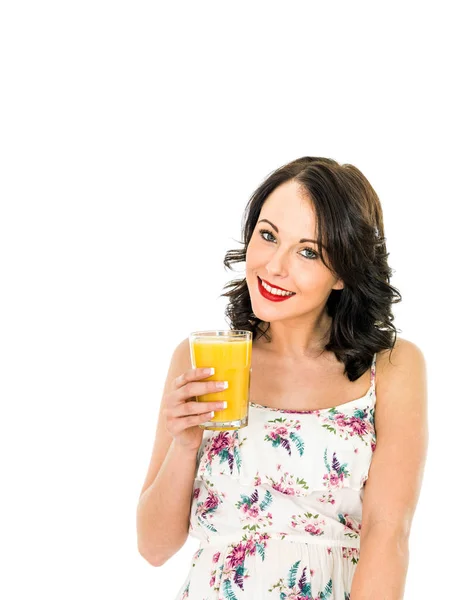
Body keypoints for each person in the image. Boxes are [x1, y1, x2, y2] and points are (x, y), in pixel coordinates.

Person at [136, 156, 428, 599]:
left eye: (308, 251)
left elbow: (388, 535)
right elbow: (154, 548)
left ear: (343, 273)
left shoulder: (390, 368)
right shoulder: (201, 358)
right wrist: (184, 445)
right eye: (268, 235)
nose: (274, 266)